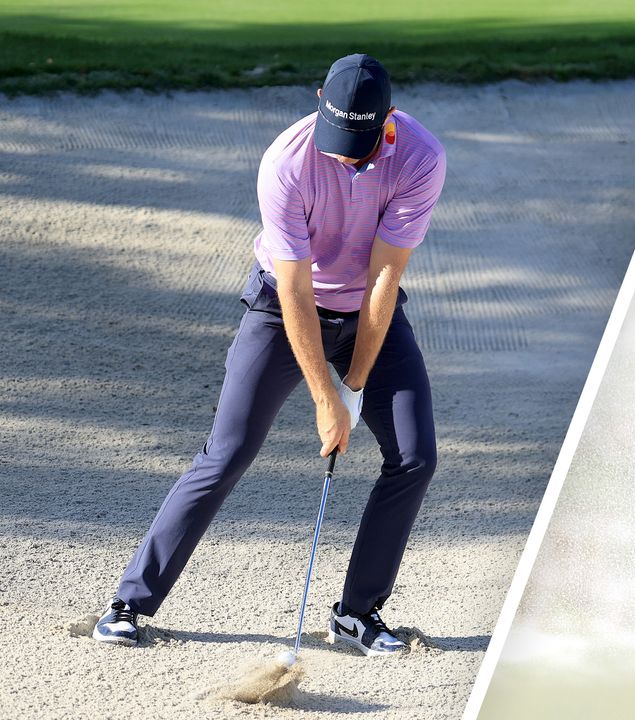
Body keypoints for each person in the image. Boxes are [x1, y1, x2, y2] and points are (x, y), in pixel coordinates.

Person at [93, 54, 446, 657]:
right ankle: (131, 601)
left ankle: (357, 613)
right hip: (281, 313)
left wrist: (355, 387)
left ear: (389, 119)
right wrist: (325, 399)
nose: (347, 156)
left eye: (360, 146)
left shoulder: (420, 156)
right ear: (317, 102)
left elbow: (385, 276)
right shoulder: (286, 161)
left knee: (415, 457)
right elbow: (294, 289)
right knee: (226, 452)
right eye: (340, 141)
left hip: (368, 308)